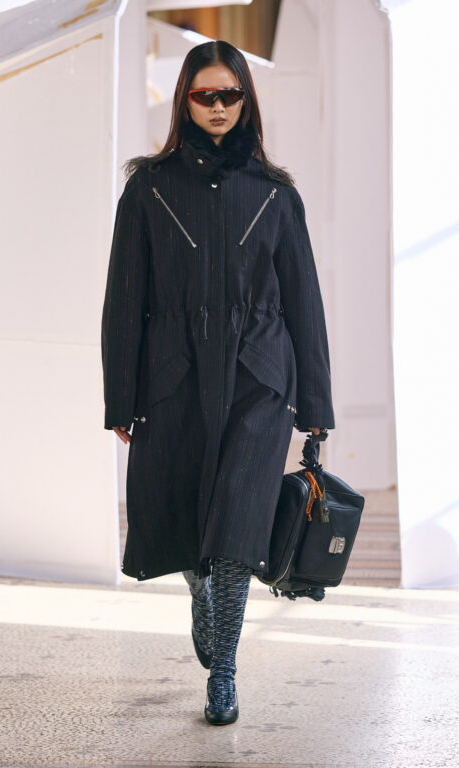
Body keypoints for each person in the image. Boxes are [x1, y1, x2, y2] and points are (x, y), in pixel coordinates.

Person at [101, 40, 334, 725]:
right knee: (184, 516)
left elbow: (305, 303)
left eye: (230, 94)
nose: (218, 107)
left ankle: (224, 672)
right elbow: (124, 301)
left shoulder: (276, 195)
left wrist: (315, 403)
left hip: (260, 378)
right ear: (184, 100)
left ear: (246, 101)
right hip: (172, 378)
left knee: (237, 526)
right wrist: (121, 397)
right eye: (205, 95)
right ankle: (199, 595)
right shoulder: (148, 189)